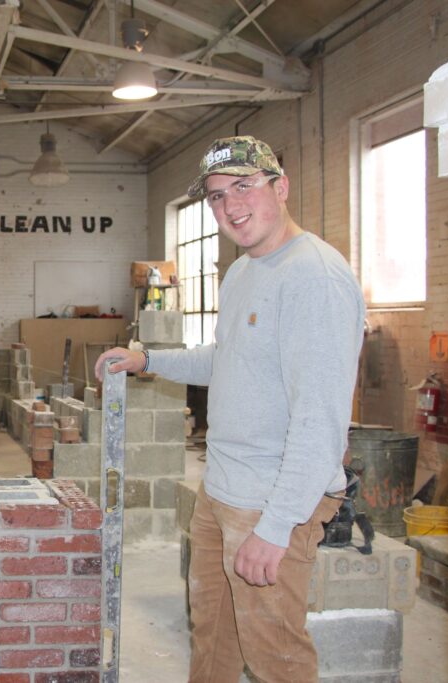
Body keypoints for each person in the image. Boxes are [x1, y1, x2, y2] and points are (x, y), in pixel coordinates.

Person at [95, 136, 365, 683]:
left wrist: (277, 525)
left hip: (268, 501)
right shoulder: (244, 271)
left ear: (280, 187)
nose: (230, 206)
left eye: (244, 186)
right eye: (217, 196)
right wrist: (146, 359)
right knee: (212, 639)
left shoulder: (314, 277)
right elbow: (228, 360)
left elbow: (321, 420)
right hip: (221, 492)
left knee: (274, 655)